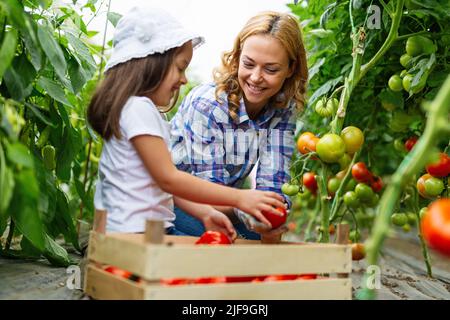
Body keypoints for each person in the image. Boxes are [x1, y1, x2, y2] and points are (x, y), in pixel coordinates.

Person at [88, 7, 285, 239]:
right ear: (151, 63)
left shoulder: (148, 113)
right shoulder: (137, 109)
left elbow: (163, 183)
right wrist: (240, 198)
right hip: (130, 236)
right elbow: (169, 179)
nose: (183, 79)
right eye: (180, 68)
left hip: (151, 231)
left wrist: (204, 213)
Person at [170, 11, 308, 240]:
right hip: (175, 202)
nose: (255, 77)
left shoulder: (283, 110)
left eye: (271, 69)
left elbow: (272, 184)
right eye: (249, 64)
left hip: (227, 206)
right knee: (231, 245)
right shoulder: (209, 106)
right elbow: (208, 196)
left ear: (290, 69)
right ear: (237, 57)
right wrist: (253, 209)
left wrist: (271, 213)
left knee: (253, 242)